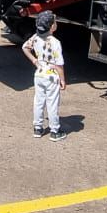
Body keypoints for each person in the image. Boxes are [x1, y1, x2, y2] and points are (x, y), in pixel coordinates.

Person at [21, 11, 66, 141]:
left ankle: (38, 128)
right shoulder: (55, 42)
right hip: (52, 76)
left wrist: (34, 61)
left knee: (38, 101)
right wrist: (62, 79)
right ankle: (54, 130)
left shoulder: (35, 37)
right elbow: (59, 64)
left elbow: (25, 47)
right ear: (52, 26)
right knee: (52, 103)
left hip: (39, 74)